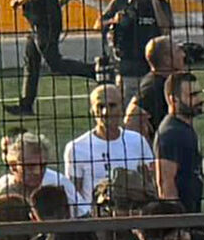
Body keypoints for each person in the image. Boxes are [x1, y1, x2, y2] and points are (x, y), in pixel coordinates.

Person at [3, 0, 89, 116]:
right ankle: (26, 105)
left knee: (54, 63)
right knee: (31, 61)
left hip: (41, 23)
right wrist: (57, 5)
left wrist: (18, 2)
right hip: (49, 21)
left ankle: (95, 71)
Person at [64, 83, 151, 212]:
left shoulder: (137, 141)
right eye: (100, 106)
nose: (105, 112)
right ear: (92, 111)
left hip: (132, 215)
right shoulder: (76, 148)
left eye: (112, 106)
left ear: (122, 108)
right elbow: (73, 195)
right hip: (95, 219)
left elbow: (150, 184)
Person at [147, 67, 204, 217]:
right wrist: (178, 222)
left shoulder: (183, 128)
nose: (200, 100)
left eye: (199, 93)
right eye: (192, 95)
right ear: (173, 100)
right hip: (183, 220)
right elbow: (165, 184)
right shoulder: (171, 134)